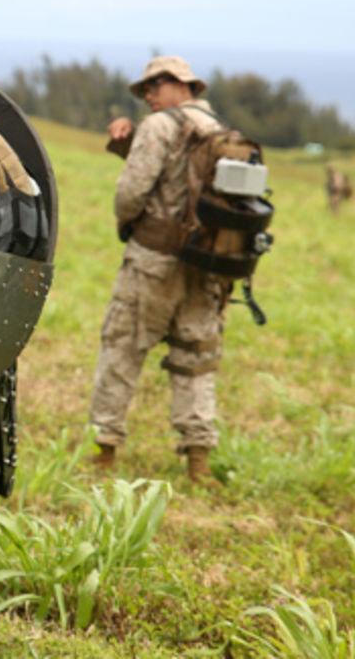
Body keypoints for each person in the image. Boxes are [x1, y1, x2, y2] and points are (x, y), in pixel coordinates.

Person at [88, 56, 231, 485]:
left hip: (151, 261)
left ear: (182, 86)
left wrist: (128, 225)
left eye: (156, 85)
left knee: (122, 349)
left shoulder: (158, 127)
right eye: (146, 89)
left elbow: (132, 193)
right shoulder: (219, 131)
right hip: (206, 266)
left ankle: (105, 450)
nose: (149, 95)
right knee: (196, 359)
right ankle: (198, 461)